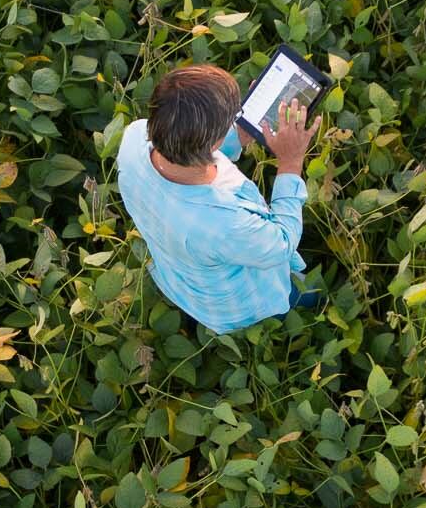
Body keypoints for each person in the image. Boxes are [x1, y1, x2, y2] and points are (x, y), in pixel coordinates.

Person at [114, 63, 322, 333]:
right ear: (212, 143)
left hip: (181, 277)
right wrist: (291, 162)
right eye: (233, 118)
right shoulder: (224, 223)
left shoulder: (133, 138)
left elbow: (184, 145)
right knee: (314, 293)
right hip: (240, 303)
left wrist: (237, 136)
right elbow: (281, 245)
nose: (239, 115)